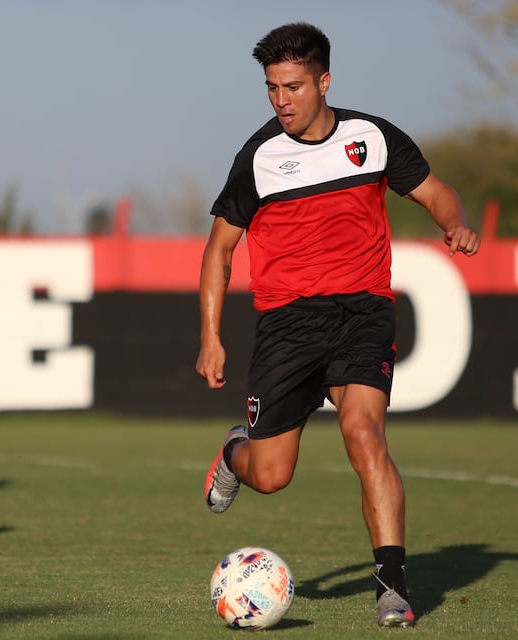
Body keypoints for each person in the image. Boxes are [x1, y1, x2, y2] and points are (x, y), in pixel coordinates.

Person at [196, 23, 480, 629]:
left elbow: (437, 193)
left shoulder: (371, 138)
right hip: (286, 326)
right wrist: (211, 336)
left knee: (364, 435)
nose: (281, 101)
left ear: (324, 81)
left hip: (362, 314)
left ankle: (392, 588)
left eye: (293, 87)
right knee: (271, 476)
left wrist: (453, 223)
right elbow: (219, 250)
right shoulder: (259, 157)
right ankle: (232, 451)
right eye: (271, 88)